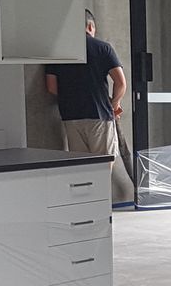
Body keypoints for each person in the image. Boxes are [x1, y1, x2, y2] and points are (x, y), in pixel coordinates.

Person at [45, 11, 134, 203]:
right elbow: (121, 82)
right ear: (90, 26)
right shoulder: (102, 48)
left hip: (70, 116)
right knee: (103, 164)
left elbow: (52, 87)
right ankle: (100, 205)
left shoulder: (58, 50)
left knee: (82, 166)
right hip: (99, 115)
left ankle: (85, 204)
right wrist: (114, 103)